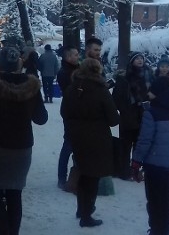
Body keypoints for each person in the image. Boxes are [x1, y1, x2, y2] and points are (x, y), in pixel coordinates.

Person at [0, 46, 48, 235]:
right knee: (14, 193)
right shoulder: (31, 87)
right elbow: (41, 118)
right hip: (22, 148)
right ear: (19, 63)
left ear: (0, 64)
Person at [61, 58, 119, 228]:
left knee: (82, 170)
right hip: (97, 138)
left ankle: (81, 209)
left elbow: (64, 111)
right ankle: (87, 215)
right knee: (92, 176)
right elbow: (114, 120)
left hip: (77, 137)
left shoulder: (72, 88)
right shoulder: (101, 90)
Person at [131, 75, 169, 235]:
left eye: (152, 91)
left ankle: (156, 229)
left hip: (154, 164)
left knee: (154, 199)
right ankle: (165, 227)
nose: (149, 94)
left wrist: (136, 162)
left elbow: (144, 140)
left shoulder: (152, 113)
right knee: (166, 196)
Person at [112, 52, 151, 180]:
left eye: (141, 58)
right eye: (137, 58)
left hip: (143, 115)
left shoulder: (148, 75)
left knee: (139, 145)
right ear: (131, 61)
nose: (140, 60)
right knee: (126, 145)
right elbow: (116, 98)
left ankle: (136, 170)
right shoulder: (124, 78)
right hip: (128, 116)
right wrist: (125, 109)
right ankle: (124, 171)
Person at [56, 45, 80, 189]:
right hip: (71, 112)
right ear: (68, 57)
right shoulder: (64, 72)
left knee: (74, 145)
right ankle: (62, 177)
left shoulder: (77, 70)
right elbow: (70, 90)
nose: (78, 57)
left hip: (76, 111)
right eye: (76, 54)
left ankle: (75, 176)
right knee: (69, 144)